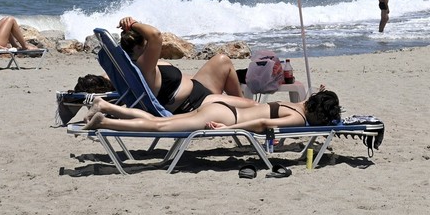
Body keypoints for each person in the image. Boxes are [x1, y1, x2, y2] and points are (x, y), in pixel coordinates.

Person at [116, 16, 247, 114]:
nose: (151, 47)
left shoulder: (133, 65)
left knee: (222, 61)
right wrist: (133, 24)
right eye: (147, 43)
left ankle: (241, 106)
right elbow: (155, 35)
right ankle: (244, 111)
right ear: (139, 48)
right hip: (194, 106)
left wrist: (131, 26)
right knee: (251, 106)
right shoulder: (144, 66)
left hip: (199, 92)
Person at [83, 87, 341, 133]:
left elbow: (262, 115)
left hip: (223, 106)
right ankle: (104, 122)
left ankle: (105, 106)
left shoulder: (297, 103)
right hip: (227, 116)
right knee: (159, 126)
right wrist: (230, 128)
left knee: (159, 120)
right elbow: (264, 125)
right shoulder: (297, 118)